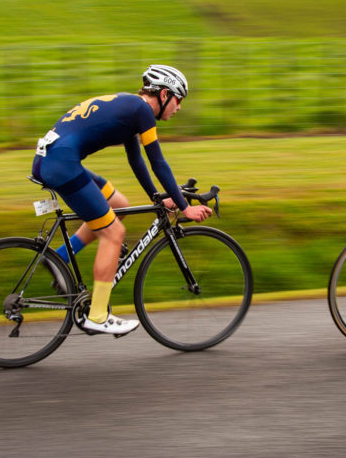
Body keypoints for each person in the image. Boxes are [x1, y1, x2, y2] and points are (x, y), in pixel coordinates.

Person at [31, 65, 213, 336]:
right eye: (178, 100)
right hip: (61, 164)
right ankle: (98, 314)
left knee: (119, 204)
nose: (179, 108)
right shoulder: (141, 112)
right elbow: (158, 163)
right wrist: (185, 207)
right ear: (164, 95)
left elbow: (137, 161)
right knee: (114, 233)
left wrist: (159, 199)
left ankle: (58, 258)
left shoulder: (132, 109)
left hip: (54, 159)